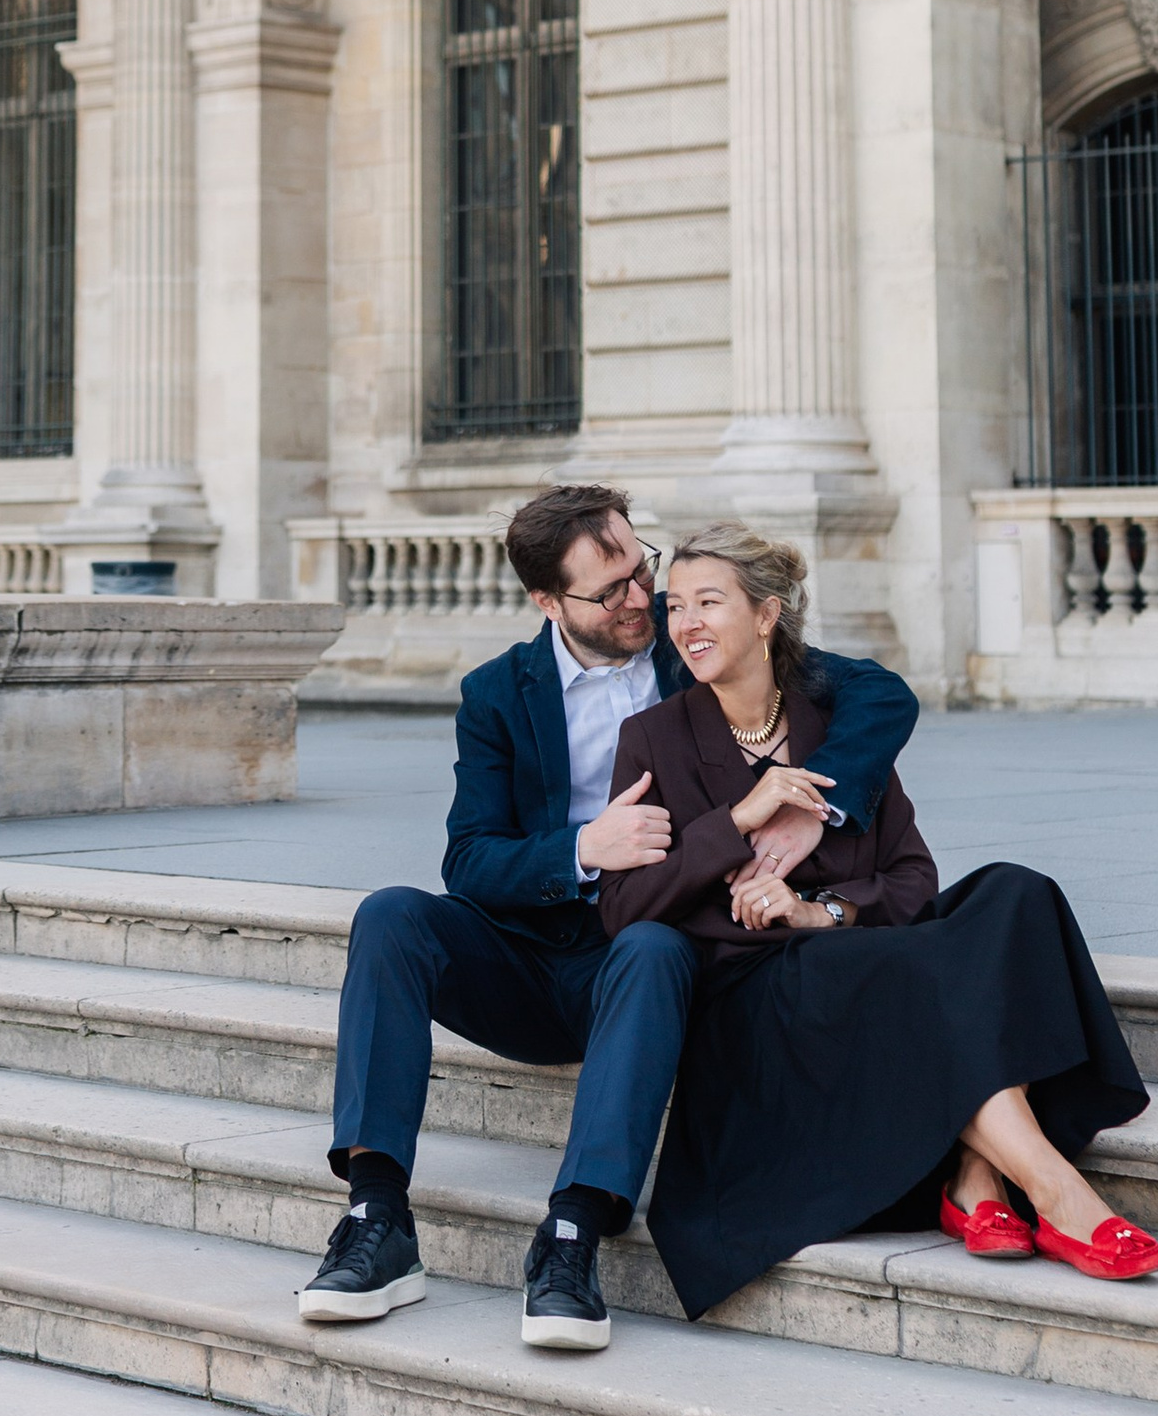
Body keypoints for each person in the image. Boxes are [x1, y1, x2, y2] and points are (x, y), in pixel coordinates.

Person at [299, 482, 918, 1353]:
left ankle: (573, 1234)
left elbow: (882, 695)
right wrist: (583, 846)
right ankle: (375, 1218)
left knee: (653, 946)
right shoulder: (496, 695)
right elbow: (469, 859)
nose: (643, 601)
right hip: (523, 958)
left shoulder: (690, 650)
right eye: (612, 589)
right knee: (393, 917)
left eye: (643, 571)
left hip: (645, 953)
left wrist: (813, 806)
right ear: (548, 601)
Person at [602, 525, 1158, 1319]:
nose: (685, 623)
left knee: (1015, 893)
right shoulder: (654, 738)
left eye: (709, 603)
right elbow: (623, 908)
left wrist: (819, 907)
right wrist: (740, 819)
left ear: (767, 617)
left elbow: (911, 876)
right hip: (757, 992)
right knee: (897, 967)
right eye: (677, 605)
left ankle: (975, 1181)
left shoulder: (835, 724)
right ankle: (1056, 1190)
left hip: (851, 952)